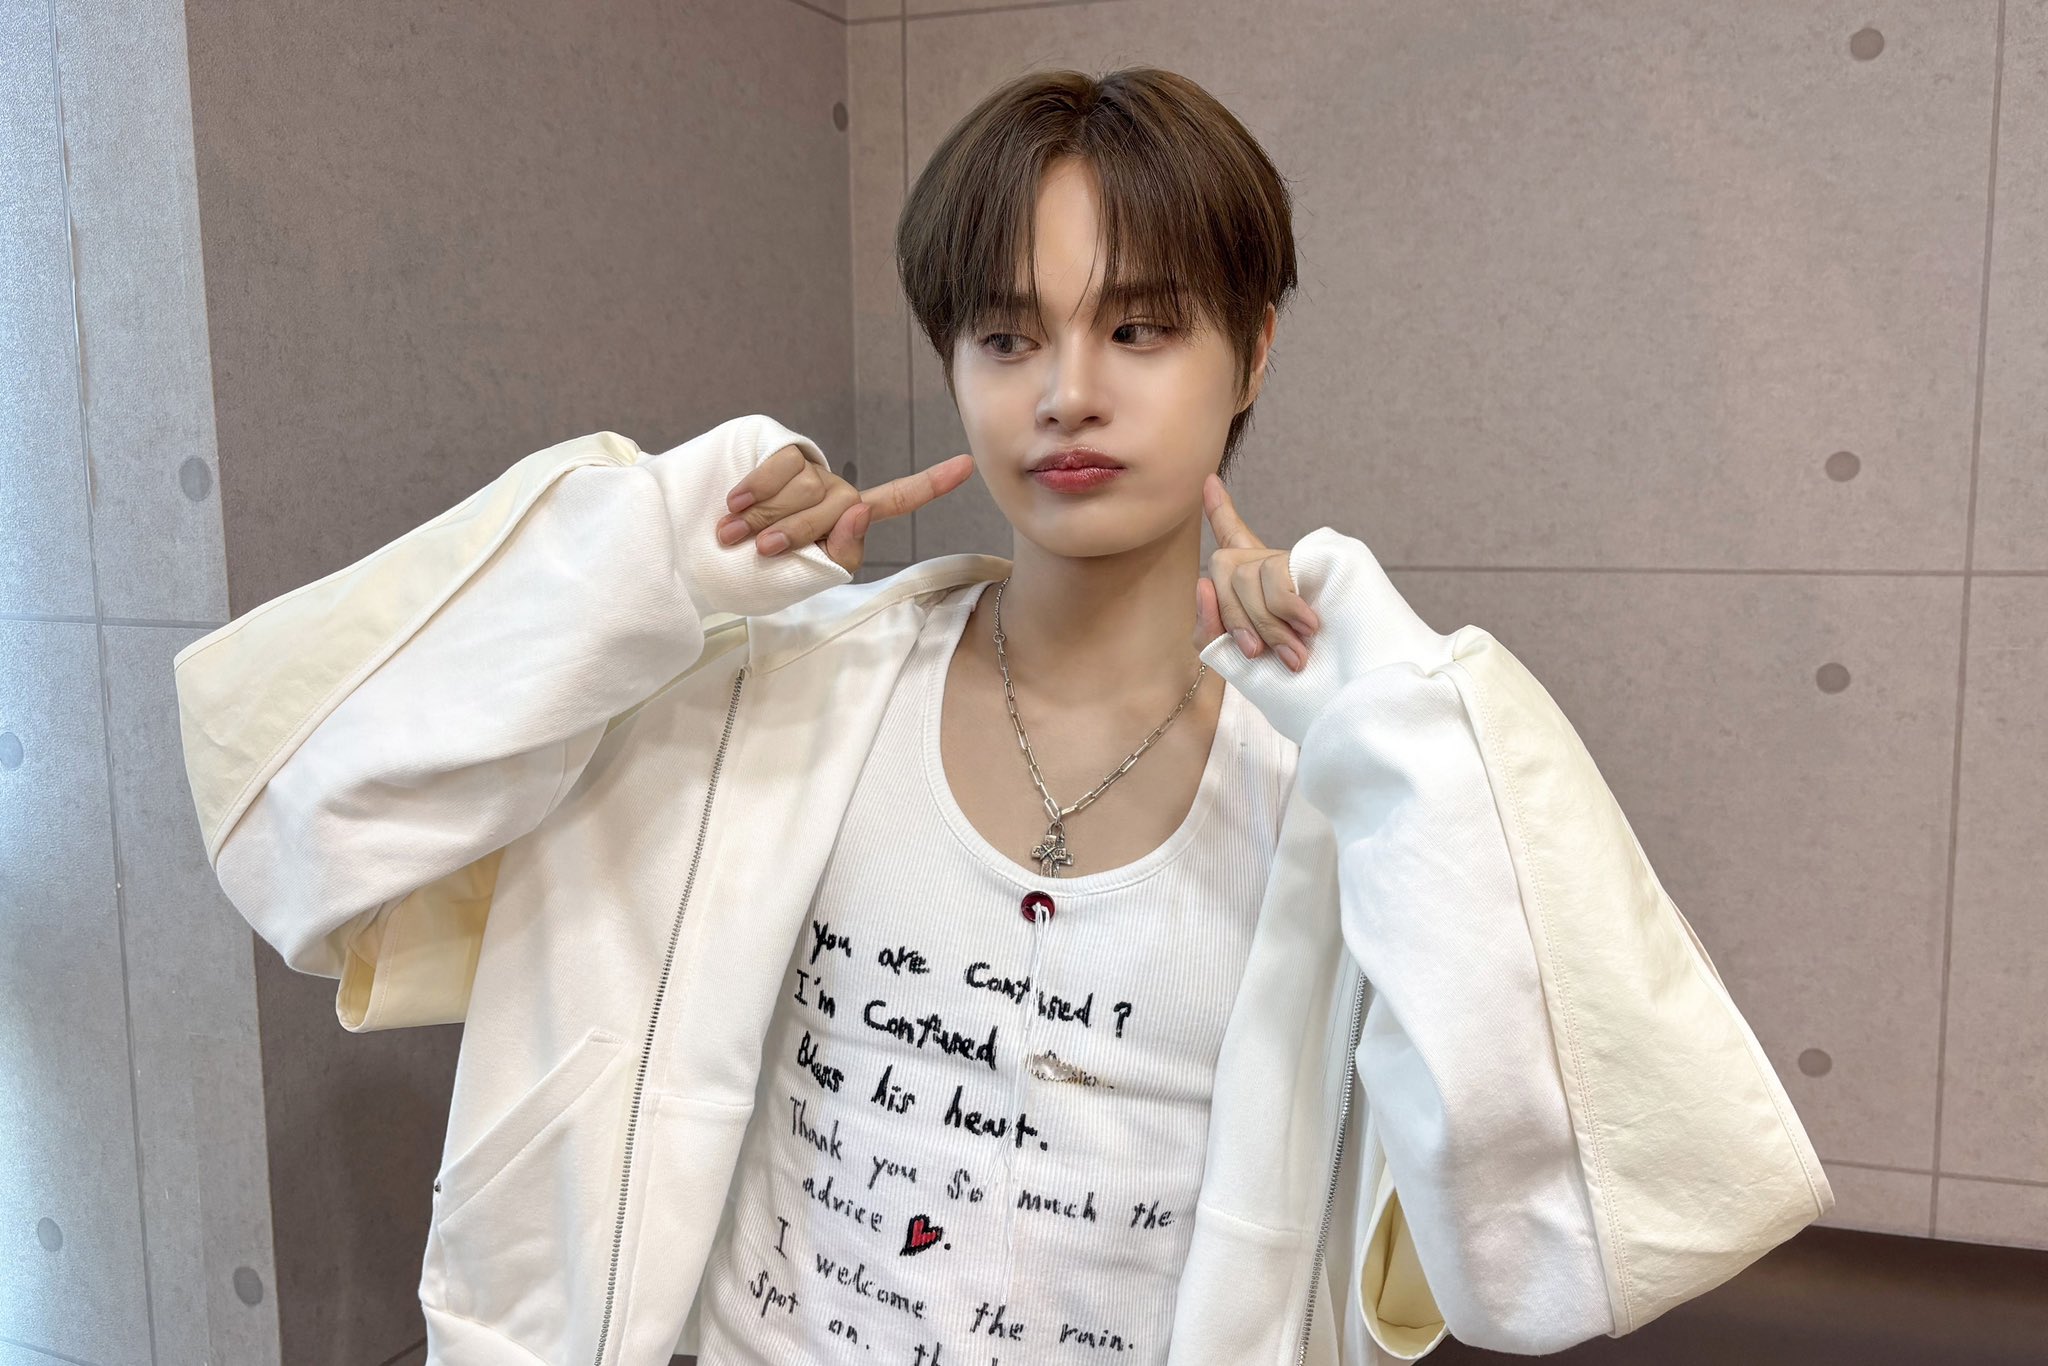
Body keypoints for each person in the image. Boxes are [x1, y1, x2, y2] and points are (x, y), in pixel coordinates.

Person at [174, 66, 1832, 1366]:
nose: (1068, 392)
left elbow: (1577, 1237)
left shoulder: (1340, 796)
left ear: (1253, 349)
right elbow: (301, 809)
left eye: (1141, 328)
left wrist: (1405, 734)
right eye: (1006, 333)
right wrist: (655, 559)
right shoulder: (779, 702)